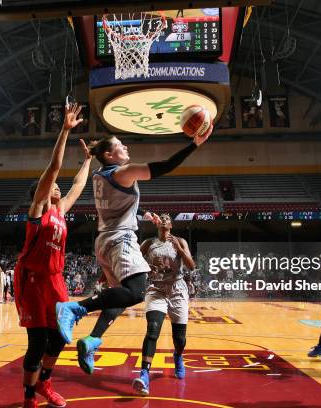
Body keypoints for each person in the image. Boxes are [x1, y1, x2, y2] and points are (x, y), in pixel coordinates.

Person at [55, 127, 212, 376]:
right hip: (121, 240)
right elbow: (165, 166)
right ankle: (76, 308)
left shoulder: (99, 174)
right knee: (137, 291)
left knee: (120, 296)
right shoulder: (123, 172)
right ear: (109, 155)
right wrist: (195, 144)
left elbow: (116, 203)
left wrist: (140, 213)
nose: (126, 148)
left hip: (104, 241)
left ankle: (93, 340)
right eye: (120, 146)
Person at [14, 103, 91, 408]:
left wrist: (88, 160)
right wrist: (65, 130)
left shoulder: (60, 213)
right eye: (52, 186)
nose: (58, 188)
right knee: (36, 344)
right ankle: (29, 398)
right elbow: (56, 169)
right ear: (44, 192)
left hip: (56, 281)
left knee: (60, 339)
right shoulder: (36, 214)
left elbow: (78, 185)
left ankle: (45, 382)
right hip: (33, 282)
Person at [132, 214, 195, 396]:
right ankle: (144, 374)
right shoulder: (148, 243)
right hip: (156, 288)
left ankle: (178, 355)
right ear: (157, 223)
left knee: (180, 339)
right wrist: (146, 267)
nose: (165, 219)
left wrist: (180, 251)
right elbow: (134, 260)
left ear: (171, 224)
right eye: (162, 217)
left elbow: (191, 265)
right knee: (153, 329)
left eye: (168, 218)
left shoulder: (181, 241)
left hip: (177, 288)